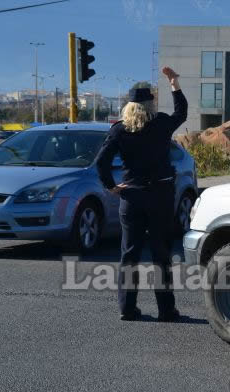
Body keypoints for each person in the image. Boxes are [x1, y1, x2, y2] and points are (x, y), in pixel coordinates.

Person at [95, 67, 187, 322]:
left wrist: (111, 186)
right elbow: (182, 112)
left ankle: (127, 308)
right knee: (161, 253)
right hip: (160, 195)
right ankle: (166, 310)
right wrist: (173, 83)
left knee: (130, 254)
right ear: (150, 104)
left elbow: (101, 163)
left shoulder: (119, 130)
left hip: (132, 197)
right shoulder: (161, 125)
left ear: (129, 106)